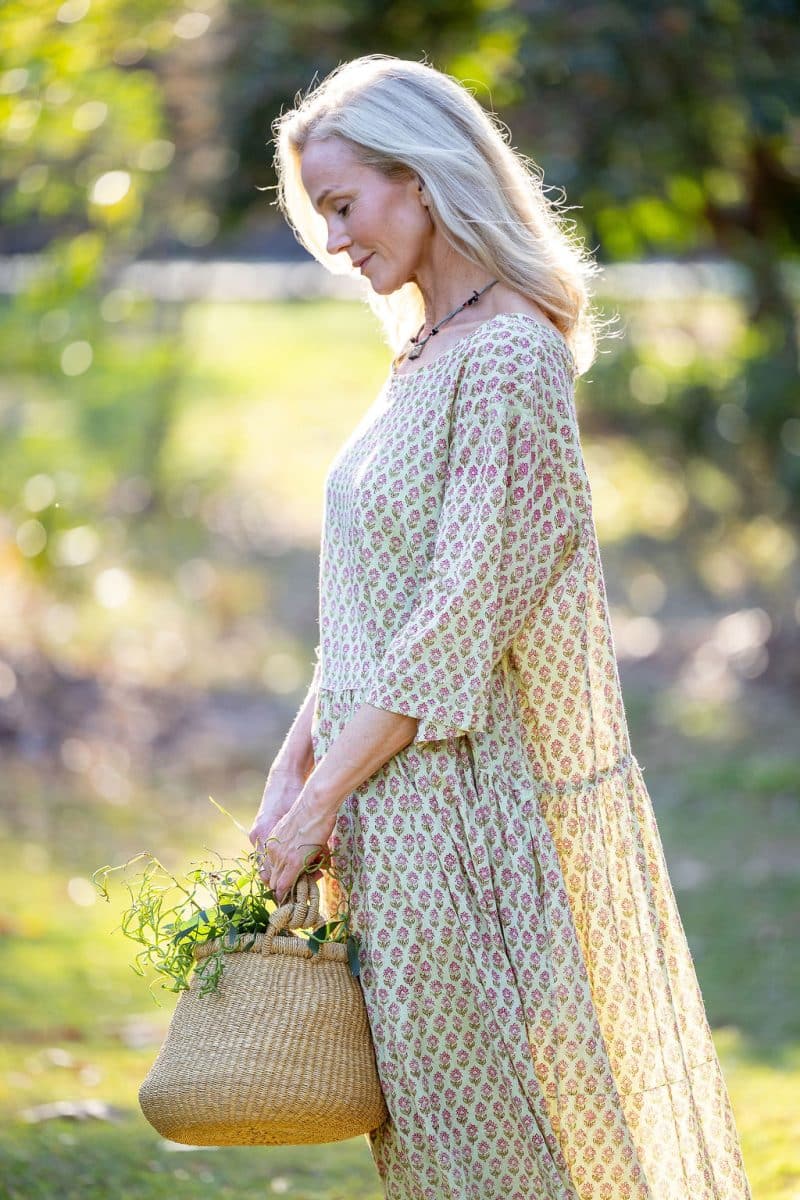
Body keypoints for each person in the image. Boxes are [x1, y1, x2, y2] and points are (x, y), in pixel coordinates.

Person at [248, 54, 751, 1200]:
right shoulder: (422, 354)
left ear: (419, 180)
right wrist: (295, 770)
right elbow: (373, 610)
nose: (334, 243)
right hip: (388, 813)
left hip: (463, 820)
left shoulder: (509, 357)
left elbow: (457, 620)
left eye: (343, 205)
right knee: (432, 1139)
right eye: (318, 213)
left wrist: (321, 795)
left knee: (506, 1142)